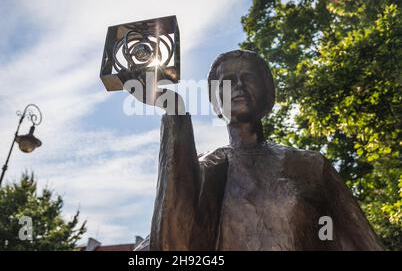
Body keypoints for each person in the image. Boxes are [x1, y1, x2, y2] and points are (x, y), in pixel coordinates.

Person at [128, 49, 383, 250]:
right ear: (216, 103)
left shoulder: (312, 166)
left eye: (248, 77)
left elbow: (361, 241)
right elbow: (173, 238)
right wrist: (174, 110)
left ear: (268, 94)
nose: (238, 85)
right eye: (227, 81)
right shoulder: (206, 169)